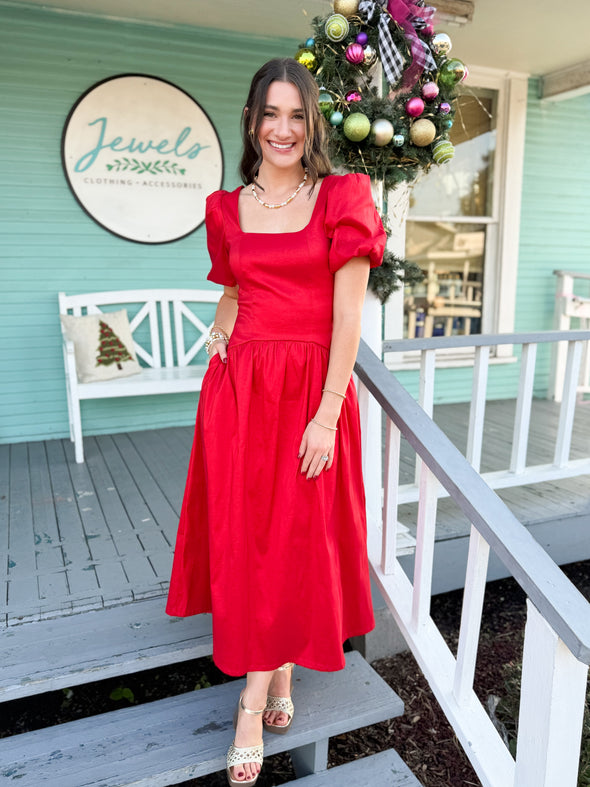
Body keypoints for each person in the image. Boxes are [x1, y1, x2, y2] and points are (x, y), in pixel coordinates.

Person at [166, 57, 386, 785]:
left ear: (313, 121)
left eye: (297, 114)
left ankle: (251, 701)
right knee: (253, 536)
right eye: (271, 114)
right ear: (252, 121)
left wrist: (327, 413)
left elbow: (348, 315)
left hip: (310, 397)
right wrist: (219, 335)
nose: (283, 129)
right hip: (239, 393)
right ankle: (280, 674)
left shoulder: (342, 197)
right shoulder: (227, 209)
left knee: (295, 535)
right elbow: (234, 290)